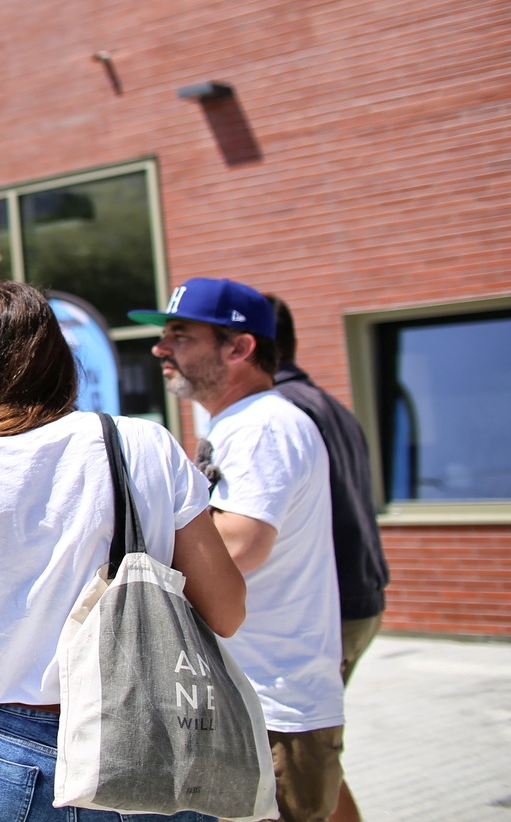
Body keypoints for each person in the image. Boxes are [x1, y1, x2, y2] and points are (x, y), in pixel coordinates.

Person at [0, 280, 245, 822]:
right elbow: (226, 612)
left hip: (1, 752)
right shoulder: (141, 444)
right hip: (153, 738)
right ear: (58, 359)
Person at [132, 278, 343, 822]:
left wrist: (135, 543)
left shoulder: (263, 426)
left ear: (239, 347)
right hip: (251, 697)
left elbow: (238, 546)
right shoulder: (240, 423)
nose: (160, 348)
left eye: (180, 334)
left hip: (274, 706)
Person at [264, 295, 389, 822]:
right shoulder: (323, 401)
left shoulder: (275, 413)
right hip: (360, 597)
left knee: (302, 761)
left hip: (328, 607)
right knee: (310, 758)